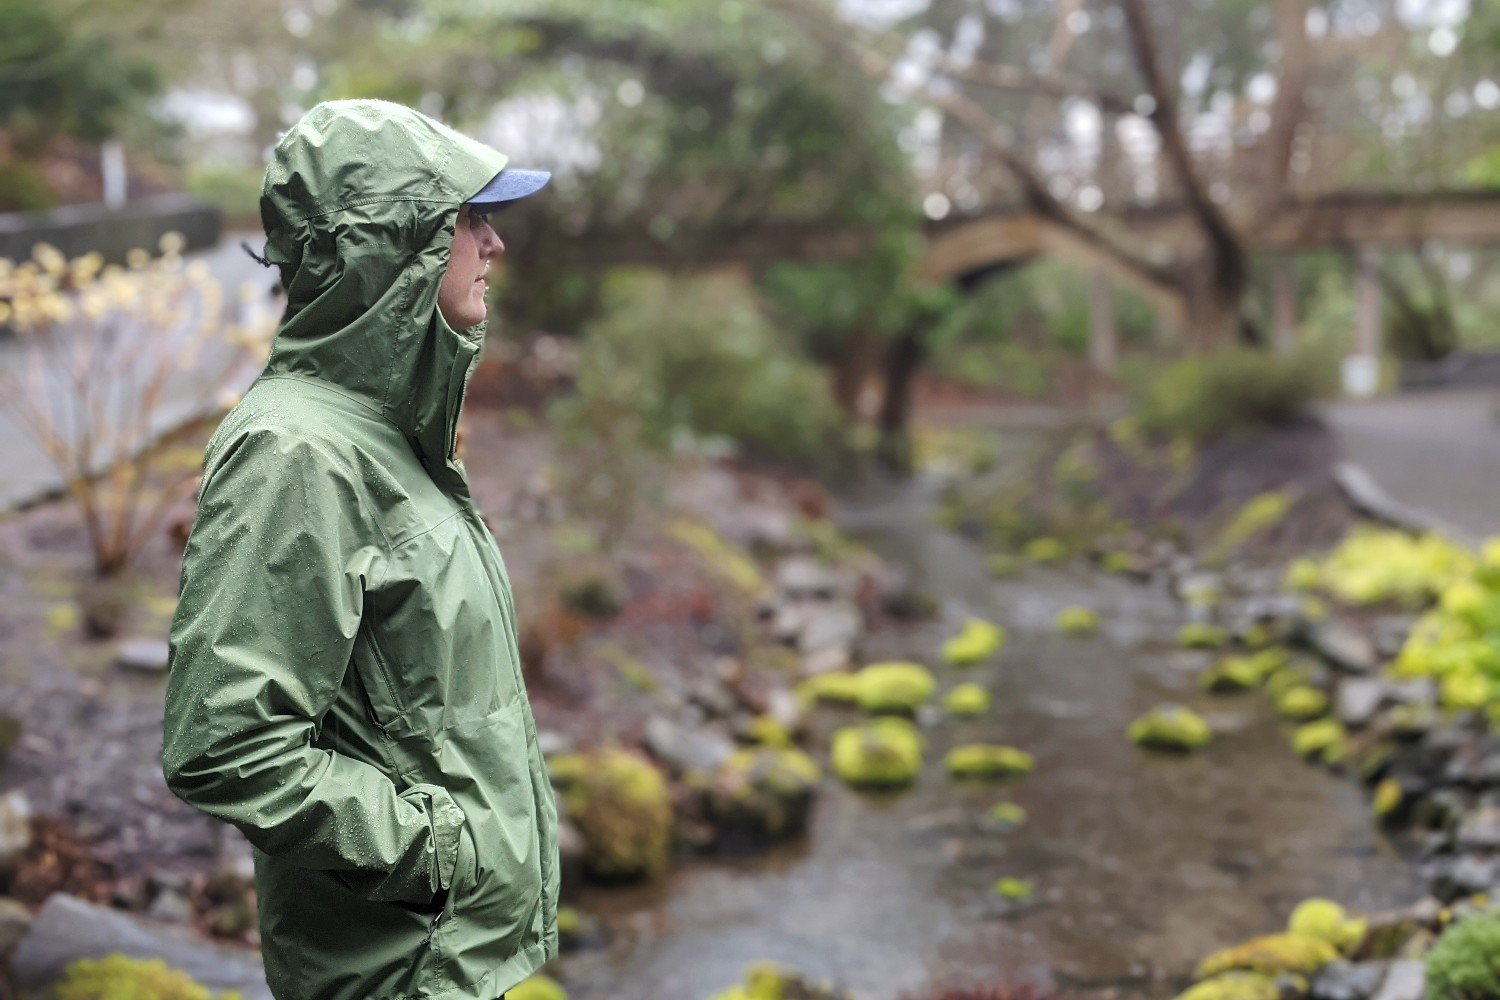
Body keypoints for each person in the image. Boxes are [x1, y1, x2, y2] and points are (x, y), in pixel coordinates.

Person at [161, 98, 559, 1000]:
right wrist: (439, 850)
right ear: (398, 243)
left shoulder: (388, 435)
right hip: (398, 972)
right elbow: (226, 744)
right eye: (472, 217)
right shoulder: (298, 452)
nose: (493, 245)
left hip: (446, 962)